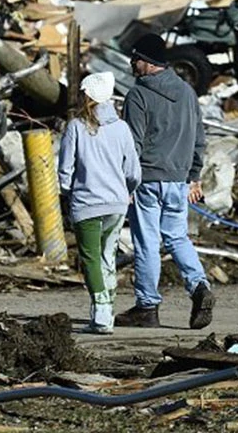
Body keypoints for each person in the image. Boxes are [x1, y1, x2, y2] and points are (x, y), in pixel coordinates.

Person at [115, 33, 214, 330]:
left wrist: (127, 182)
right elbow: (199, 139)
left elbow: (132, 144)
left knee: (146, 243)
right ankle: (199, 287)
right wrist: (193, 176)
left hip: (147, 179)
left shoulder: (138, 95)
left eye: (135, 58)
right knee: (177, 237)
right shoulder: (186, 92)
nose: (132, 63)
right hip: (178, 180)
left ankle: (147, 307)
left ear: (147, 62)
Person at [57, 71, 141, 334]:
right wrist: (126, 189)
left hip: (87, 204)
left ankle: (103, 312)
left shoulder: (76, 127)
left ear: (87, 96)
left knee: (91, 258)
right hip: (117, 204)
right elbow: (133, 171)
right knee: (107, 256)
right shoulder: (122, 128)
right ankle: (105, 311)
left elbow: (65, 171)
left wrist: (70, 192)